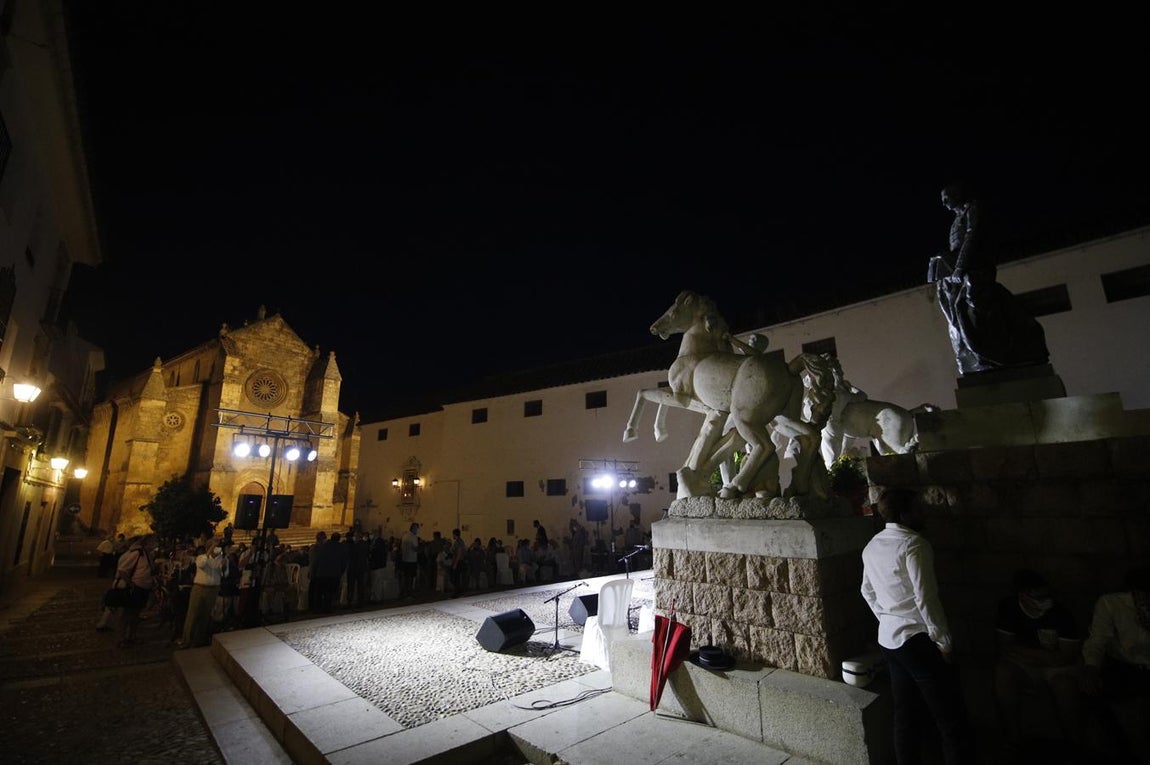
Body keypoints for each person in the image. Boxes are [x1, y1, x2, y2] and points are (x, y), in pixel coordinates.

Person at [860, 488, 974, 764]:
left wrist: (888, 618)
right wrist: (944, 642)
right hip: (919, 640)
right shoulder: (914, 545)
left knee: (905, 715)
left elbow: (867, 591)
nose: (923, 512)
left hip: (889, 640)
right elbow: (926, 598)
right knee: (949, 718)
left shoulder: (873, 545)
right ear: (905, 513)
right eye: (917, 508)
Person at [926, 182, 1049, 375]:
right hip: (960, 270)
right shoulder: (957, 219)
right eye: (942, 199)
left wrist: (959, 268)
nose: (944, 202)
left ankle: (993, 352)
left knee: (975, 303)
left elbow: (972, 239)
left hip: (976, 268)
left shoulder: (973, 209)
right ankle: (977, 355)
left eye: (946, 197)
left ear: (957, 194)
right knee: (954, 306)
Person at [993, 569, 1083, 749]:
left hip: (1058, 667)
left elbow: (1067, 655)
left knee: (1064, 686)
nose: (1045, 601)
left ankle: (1074, 745)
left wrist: (1031, 655)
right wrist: (1041, 656)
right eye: (1038, 597)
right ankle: (1014, 740)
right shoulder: (1009, 608)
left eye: (1046, 596)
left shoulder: (1060, 613)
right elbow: (1006, 648)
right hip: (1027, 664)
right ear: (1023, 595)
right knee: (1003, 673)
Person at [1079, 564, 1150, 759]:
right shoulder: (1111, 604)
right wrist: (1091, 667)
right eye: (1141, 594)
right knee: (1093, 694)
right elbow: (1097, 639)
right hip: (1125, 666)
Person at [178, 538, 228, 648]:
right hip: (200, 587)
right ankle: (187, 640)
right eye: (214, 546)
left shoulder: (221, 559)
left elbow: (225, 573)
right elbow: (201, 564)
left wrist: (224, 566)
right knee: (193, 614)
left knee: (205, 616)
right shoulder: (201, 557)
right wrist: (210, 550)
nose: (217, 548)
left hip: (213, 589)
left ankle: (198, 639)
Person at [115, 534, 158, 648]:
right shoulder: (137, 553)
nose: (155, 544)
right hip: (135, 589)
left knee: (136, 614)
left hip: (144, 589)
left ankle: (132, 637)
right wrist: (131, 583)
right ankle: (121, 639)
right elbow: (122, 570)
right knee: (127, 614)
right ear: (146, 543)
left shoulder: (149, 555)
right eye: (153, 542)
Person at [399, 523, 420, 598]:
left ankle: (403, 592)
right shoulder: (414, 537)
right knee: (411, 577)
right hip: (412, 560)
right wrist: (421, 547)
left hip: (404, 559)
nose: (418, 530)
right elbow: (415, 549)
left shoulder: (404, 536)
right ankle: (409, 593)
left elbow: (401, 548)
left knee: (405, 576)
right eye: (417, 528)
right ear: (414, 528)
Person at [449, 528, 468, 598]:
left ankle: (457, 591)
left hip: (458, 561)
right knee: (455, 577)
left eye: (453, 534)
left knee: (455, 577)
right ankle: (458, 591)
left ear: (455, 534)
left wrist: (455, 564)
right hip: (458, 561)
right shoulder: (458, 541)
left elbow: (459, 553)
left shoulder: (459, 542)